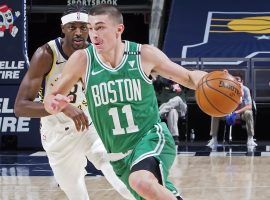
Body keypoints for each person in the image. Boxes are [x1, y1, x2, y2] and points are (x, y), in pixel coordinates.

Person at [44, 4, 208, 200]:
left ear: (118, 29)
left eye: (101, 27)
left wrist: (209, 80)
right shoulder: (82, 60)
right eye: (91, 28)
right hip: (118, 157)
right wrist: (56, 104)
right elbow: (50, 97)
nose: (93, 34)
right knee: (153, 192)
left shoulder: (143, 54)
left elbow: (189, 77)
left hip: (150, 139)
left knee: (140, 181)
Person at [14, 4, 134, 200]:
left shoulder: (97, 53)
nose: (78, 33)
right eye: (72, 27)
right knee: (76, 193)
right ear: (63, 28)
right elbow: (20, 107)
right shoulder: (46, 54)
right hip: (57, 133)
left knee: (117, 172)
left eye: (83, 27)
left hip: (91, 125)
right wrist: (60, 108)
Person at [207, 73, 257, 147]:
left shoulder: (245, 90)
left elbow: (249, 106)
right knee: (215, 114)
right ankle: (214, 139)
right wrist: (227, 112)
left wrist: (236, 112)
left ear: (242, 81)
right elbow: (221, 104)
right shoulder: (227, 88)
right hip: (228, 113)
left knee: (249, 113)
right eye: (234, 79)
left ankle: (250, 138)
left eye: (238, 79)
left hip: (241, 114)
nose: (236, 81)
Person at [154, 76, 187, 145]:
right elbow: (157, 81)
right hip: (167, 111)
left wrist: (177, 86)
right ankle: (174, 137)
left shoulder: (182, 83)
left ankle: (157, 115)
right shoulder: (162, 85)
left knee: (177, 98)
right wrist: (169, 86)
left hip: (181, 109)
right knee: (172, 111)